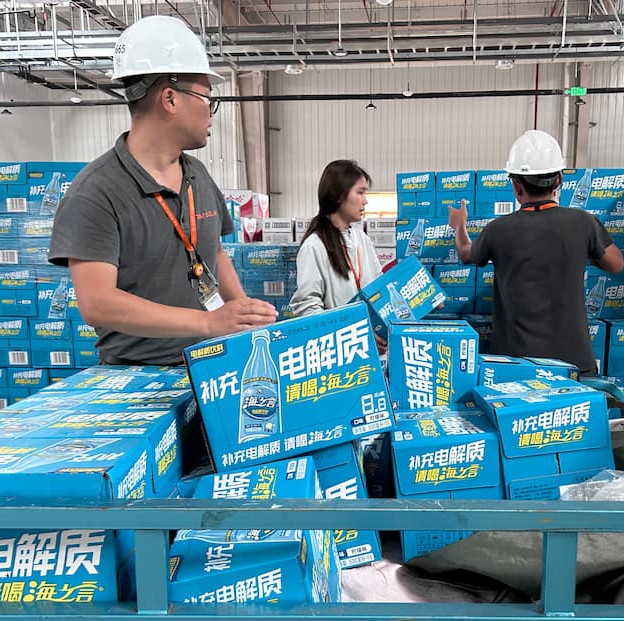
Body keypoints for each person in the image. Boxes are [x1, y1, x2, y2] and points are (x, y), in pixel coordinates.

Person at [48, 15, 276, 366]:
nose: (211, 112)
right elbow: (97, 303)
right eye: (207, 98)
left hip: (209, 363)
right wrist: (207, 322)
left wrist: (242, 315)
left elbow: (213, 252)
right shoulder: (95, 192)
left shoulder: (197, 174)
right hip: (138, 377)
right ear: (170, 99)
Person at [448, 130, 624, 376]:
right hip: (573, 365)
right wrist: (582, 250)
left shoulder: (498, 229)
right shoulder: (583, 222)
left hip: (514, 366)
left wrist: (459, 225)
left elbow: (466, 254)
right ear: (559, 180)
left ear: (516, 185)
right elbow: (616, 264)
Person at [289, 160, 384, 317]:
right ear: (339, 195)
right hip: (344, 332)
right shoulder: (314, 247)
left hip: (371, 330)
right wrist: (342, 327)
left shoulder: (362, 239)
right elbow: (307, 306)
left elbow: (379, 285)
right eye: (360, 192)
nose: (365, 201)